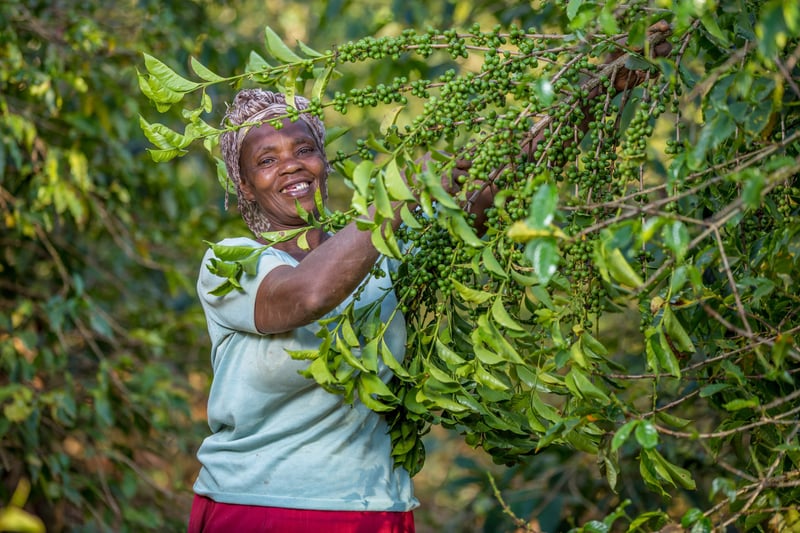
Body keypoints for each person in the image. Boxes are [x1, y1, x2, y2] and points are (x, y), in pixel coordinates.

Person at [187, 25, 671, 533]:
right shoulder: (232, 264)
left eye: (303, 149)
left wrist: (600, 82)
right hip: (260, 509)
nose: (291, 167)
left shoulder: (378, 251)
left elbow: (484, 194)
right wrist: (398, 195)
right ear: (243, 183)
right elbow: (307, 294)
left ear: (324, 159)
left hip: (376, 508)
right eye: (267, 160)